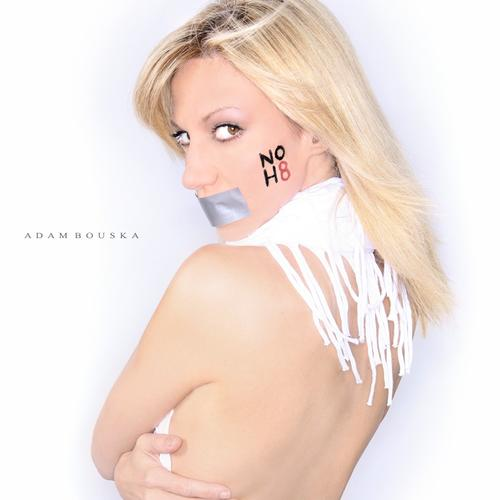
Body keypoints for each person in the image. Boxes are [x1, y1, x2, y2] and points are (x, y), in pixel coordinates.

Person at [91, 1, 454, 498]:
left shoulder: (216, 284)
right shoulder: (388, 298)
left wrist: (128, 466)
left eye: (227, 129)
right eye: (185, 138)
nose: (193, 175)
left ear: (317, 127)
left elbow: (105, 452)